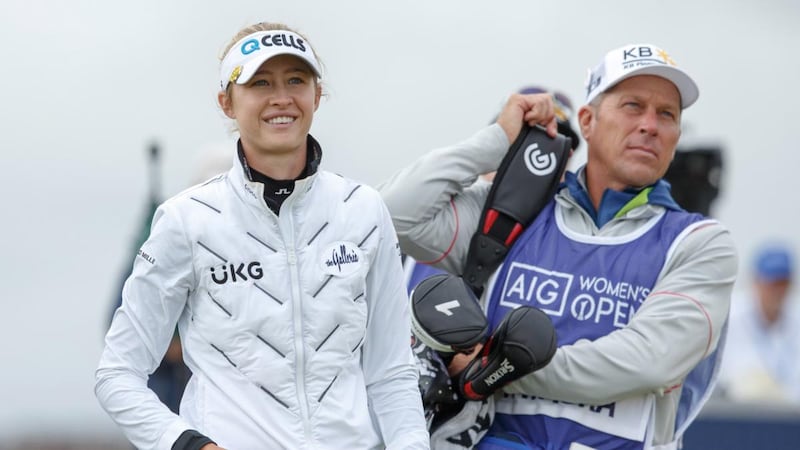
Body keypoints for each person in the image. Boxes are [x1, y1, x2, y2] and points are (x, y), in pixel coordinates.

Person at [380, 43, 738, 449]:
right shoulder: (513, 211)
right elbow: (393, 214)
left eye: (666, 114)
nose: (650, 125)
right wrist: (497, 141)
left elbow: (647, 361)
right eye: (633, 106)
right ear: (588, 122)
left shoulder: (702, 243)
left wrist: (493, 368)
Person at [95, 22, 429, 450]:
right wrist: (188, 445)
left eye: (296, 80)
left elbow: (392, 372)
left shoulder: (363, 209)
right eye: (260, 83)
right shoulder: (186, 219)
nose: (281, 98)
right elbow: (117, 373)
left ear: (316, 95)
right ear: (227, 102)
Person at [717, 243, 800, 404]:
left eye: (782, 284)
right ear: (756, 282)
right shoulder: (729, 317)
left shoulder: (796, 320)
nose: (776, 291)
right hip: (739, 414)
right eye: (771, 283)